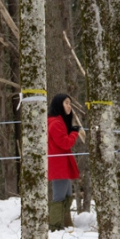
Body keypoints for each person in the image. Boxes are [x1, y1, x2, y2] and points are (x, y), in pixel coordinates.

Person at [47, 93, 80, 231]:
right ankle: (55, 227)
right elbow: (65, 143)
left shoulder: (59, 121)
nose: (69, 106)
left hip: (63, 165)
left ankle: (65, 223)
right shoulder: (55, 123)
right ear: (59, 104)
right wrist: (74, 133)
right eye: (66, 103)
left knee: (67, 195)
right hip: (58, 165)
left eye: (70, 103)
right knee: (59, 197)